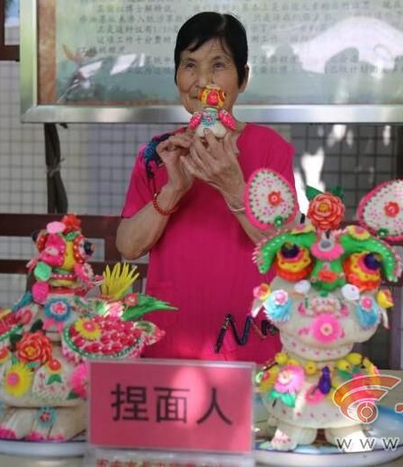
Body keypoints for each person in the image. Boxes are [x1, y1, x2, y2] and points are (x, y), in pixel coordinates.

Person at [116, 12, 296, 363]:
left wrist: (235, 188)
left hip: (247, 340)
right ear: (176, 76)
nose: (202, 81)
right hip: (170, 338)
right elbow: (128, 246)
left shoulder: (271, 148)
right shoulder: (159, 154)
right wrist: (173, 190)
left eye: (218, 65)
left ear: (243, 78)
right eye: (189, 65)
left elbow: (287, 249)